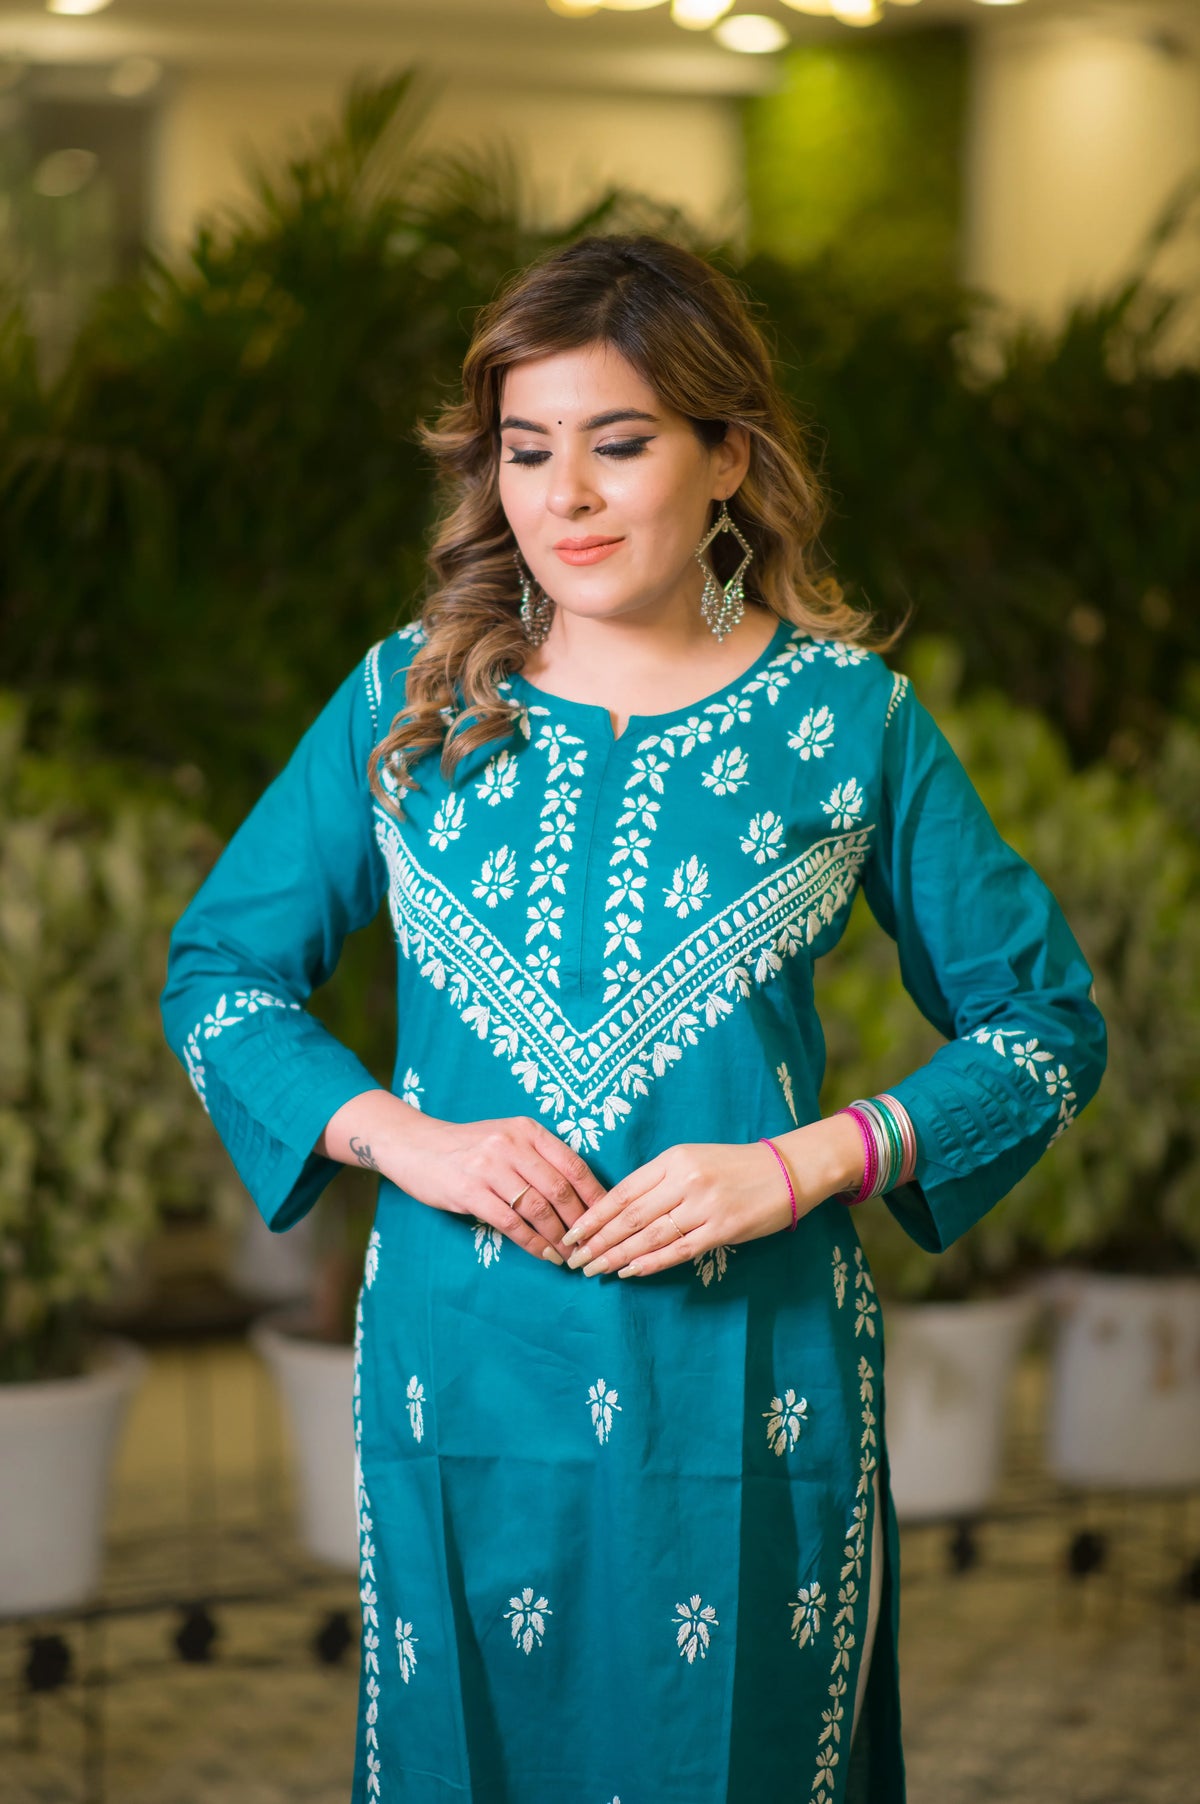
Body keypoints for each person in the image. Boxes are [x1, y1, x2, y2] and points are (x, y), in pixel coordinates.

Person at [161, 233, 1106, 1803]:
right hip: (463, 1359)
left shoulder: (846, 718)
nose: (566, 497)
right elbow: (221, 976)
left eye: (621, 444)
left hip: (747, 1372)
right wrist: (408, 1141)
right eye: (527, 451)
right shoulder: (412, 700)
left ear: (727, 457)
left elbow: (1046, 1026)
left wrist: (809, 1161)